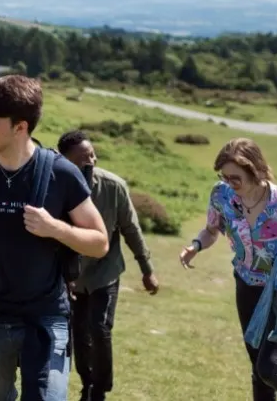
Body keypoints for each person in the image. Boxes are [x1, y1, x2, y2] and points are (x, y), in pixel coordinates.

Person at [0, 74, 109, 401]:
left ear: (20, 127)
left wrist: (55, 228)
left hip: (46, 316)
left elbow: (100, 242)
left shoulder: (60, 173)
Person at [179, 137, 277, 401]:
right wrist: (196, 245)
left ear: (256, 171)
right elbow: (212, 230)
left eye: (235, 178)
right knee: (257, 369)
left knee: (268, 366)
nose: (229, 183)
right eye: (224, 177)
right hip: (246, 287)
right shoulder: (221, 195)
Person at [57, 130, 159, 401]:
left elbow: (131, 229)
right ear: (65, 163)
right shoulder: (57, 187)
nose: (91, 162)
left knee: (99, 328)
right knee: (79, 333)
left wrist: (147, 269)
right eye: (82, 159)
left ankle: (100, 391)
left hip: (105, 271)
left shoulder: (114, 187)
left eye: (92, 155)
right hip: (72, 276)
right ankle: (87, 384)